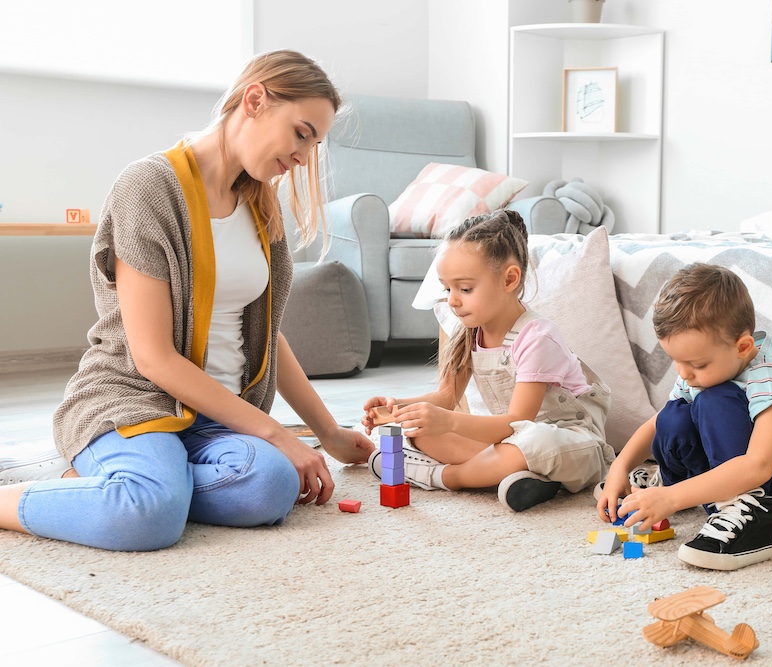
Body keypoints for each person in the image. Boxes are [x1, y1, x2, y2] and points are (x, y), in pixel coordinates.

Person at [0, 50, 374, 551]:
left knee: (273, 486)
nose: (305, 156)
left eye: (315, 143)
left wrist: (327, 432)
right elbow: (153, 357)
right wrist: (277, 436)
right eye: (302, 132)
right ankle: (135, 493)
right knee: (149, 520)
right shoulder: (149, 188)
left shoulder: (262, 203)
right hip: (134, 400)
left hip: (218, 416)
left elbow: (265, 337)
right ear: (255, 100)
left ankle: (131, 487)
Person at [361, 209, 615, 512]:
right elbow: (445, 396)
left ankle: (445, 476)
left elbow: (517, 424)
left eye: (465, 289)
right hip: (507, 442)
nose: (453, 300)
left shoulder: (537, 337)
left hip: (568, 443)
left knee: (532, 444)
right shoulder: (470, 333)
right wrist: (398, 408)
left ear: (509, 279)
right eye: (447, 288)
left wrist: (450, 421)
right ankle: (523, 479)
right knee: (422, 432)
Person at [596, 263, 772, 571]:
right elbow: (658, 425)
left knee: (715, 400)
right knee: (674, 415)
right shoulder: (700, 369)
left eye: (696, 363)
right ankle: (669, 488)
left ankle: (752, 518)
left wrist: (670, 499)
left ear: (743, 347)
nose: (683, 373)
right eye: (676, 361)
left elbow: (759, 464)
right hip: (728, 468)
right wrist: (619, 467)